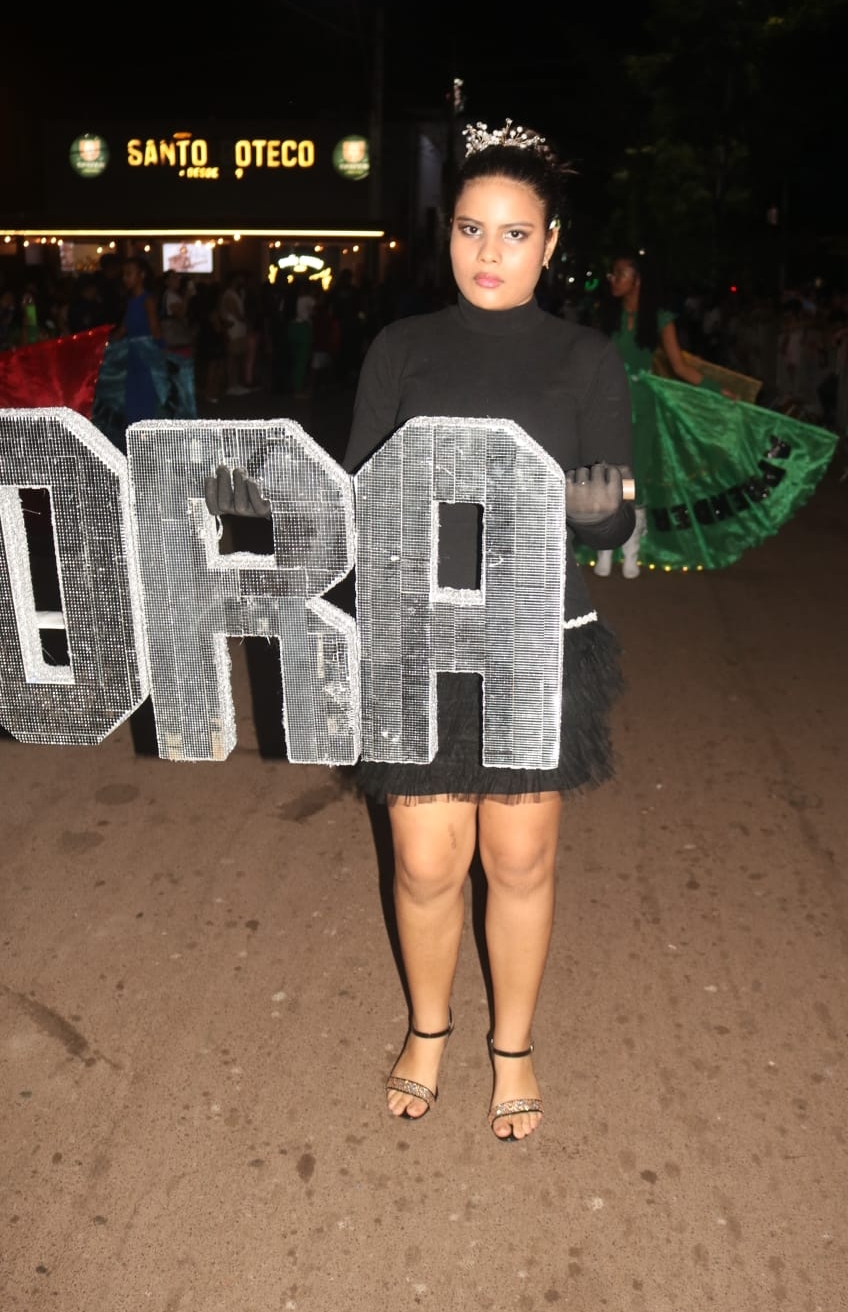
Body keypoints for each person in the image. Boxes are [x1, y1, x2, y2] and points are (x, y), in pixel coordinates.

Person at [206, 120, 635, 1142]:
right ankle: (428, 1031)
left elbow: (616, 516)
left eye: (515, 234)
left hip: (534, 637)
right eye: (471, 229)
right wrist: (258, 508)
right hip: (416, 637)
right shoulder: (400, 349)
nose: (489, 253)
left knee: (520, 860)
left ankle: (513, 1047)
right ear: (447, 233)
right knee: (426, 864)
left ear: (551, 243)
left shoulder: (585, 359)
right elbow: (361, 498)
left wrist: (595, 512)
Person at [594, 250, 706, 578]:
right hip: (608, 403)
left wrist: (716, 390)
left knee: (635, 477)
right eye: (613, 274)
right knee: (608, 474)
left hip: (642, 405)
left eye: (620, 274)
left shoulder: (659, 318)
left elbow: (680, 366)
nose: (613, 279)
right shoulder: (606, 314)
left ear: (637, 280)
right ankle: (604, 547)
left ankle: (631, 549)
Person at [112, 256, 163, 426]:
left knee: (146, 394)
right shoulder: (131, 301)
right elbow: (124, 328)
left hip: (146, 353)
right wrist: (105, 343)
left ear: (142, 275)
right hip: (133, 354)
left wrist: (160, 354)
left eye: (129, 274)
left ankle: (146, 431)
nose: (125, 278)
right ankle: (136, 430)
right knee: (133, 394)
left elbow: (155, 328)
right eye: (124, 274)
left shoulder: (147, 300)